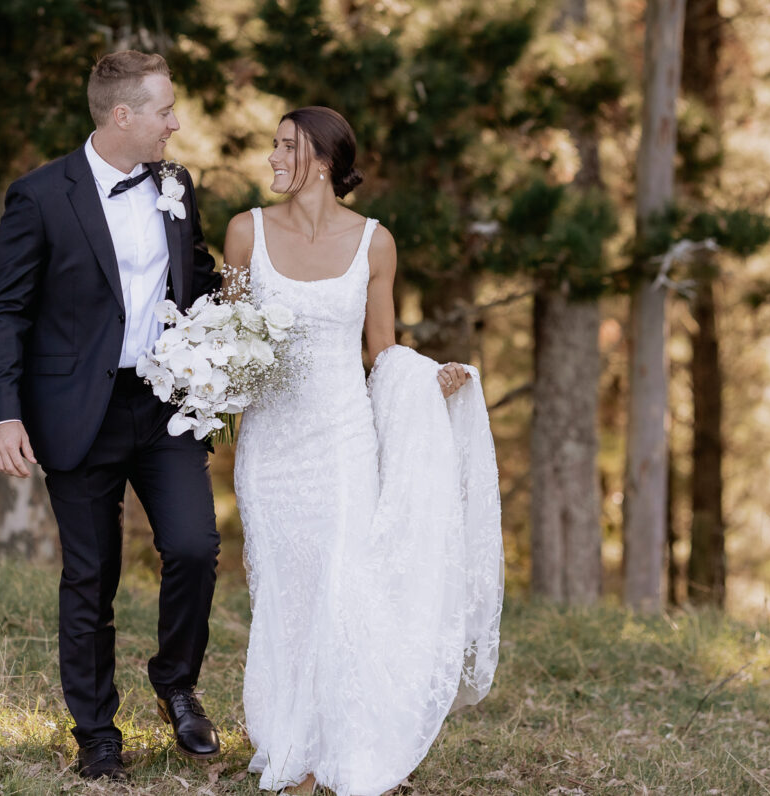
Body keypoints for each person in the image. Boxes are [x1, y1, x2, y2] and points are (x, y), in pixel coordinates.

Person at [222, 107, 504, 796]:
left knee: (342, 587)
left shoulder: (376, 244)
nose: (274, 158)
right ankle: (290, 742)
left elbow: (381, 350)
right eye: (275, 146)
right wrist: (210, 374)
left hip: (343, 439)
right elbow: (226, 333)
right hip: (270, 444)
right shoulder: (244, 232)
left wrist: (426, 379)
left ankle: (340, 745)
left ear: (321, 159)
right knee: (287, 594)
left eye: (287, 147)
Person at [0, 51, 223, 782]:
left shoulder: (176, 186)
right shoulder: (40, 195)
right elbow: (7, 308)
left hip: (163, 406)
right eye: (164, 111)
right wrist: (3, 412)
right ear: (123, 115)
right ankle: (96, 733)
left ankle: (176, 684)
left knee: (192, 548)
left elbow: (200, 277)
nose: (175, 124)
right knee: (92, 576)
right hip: (75, 411)